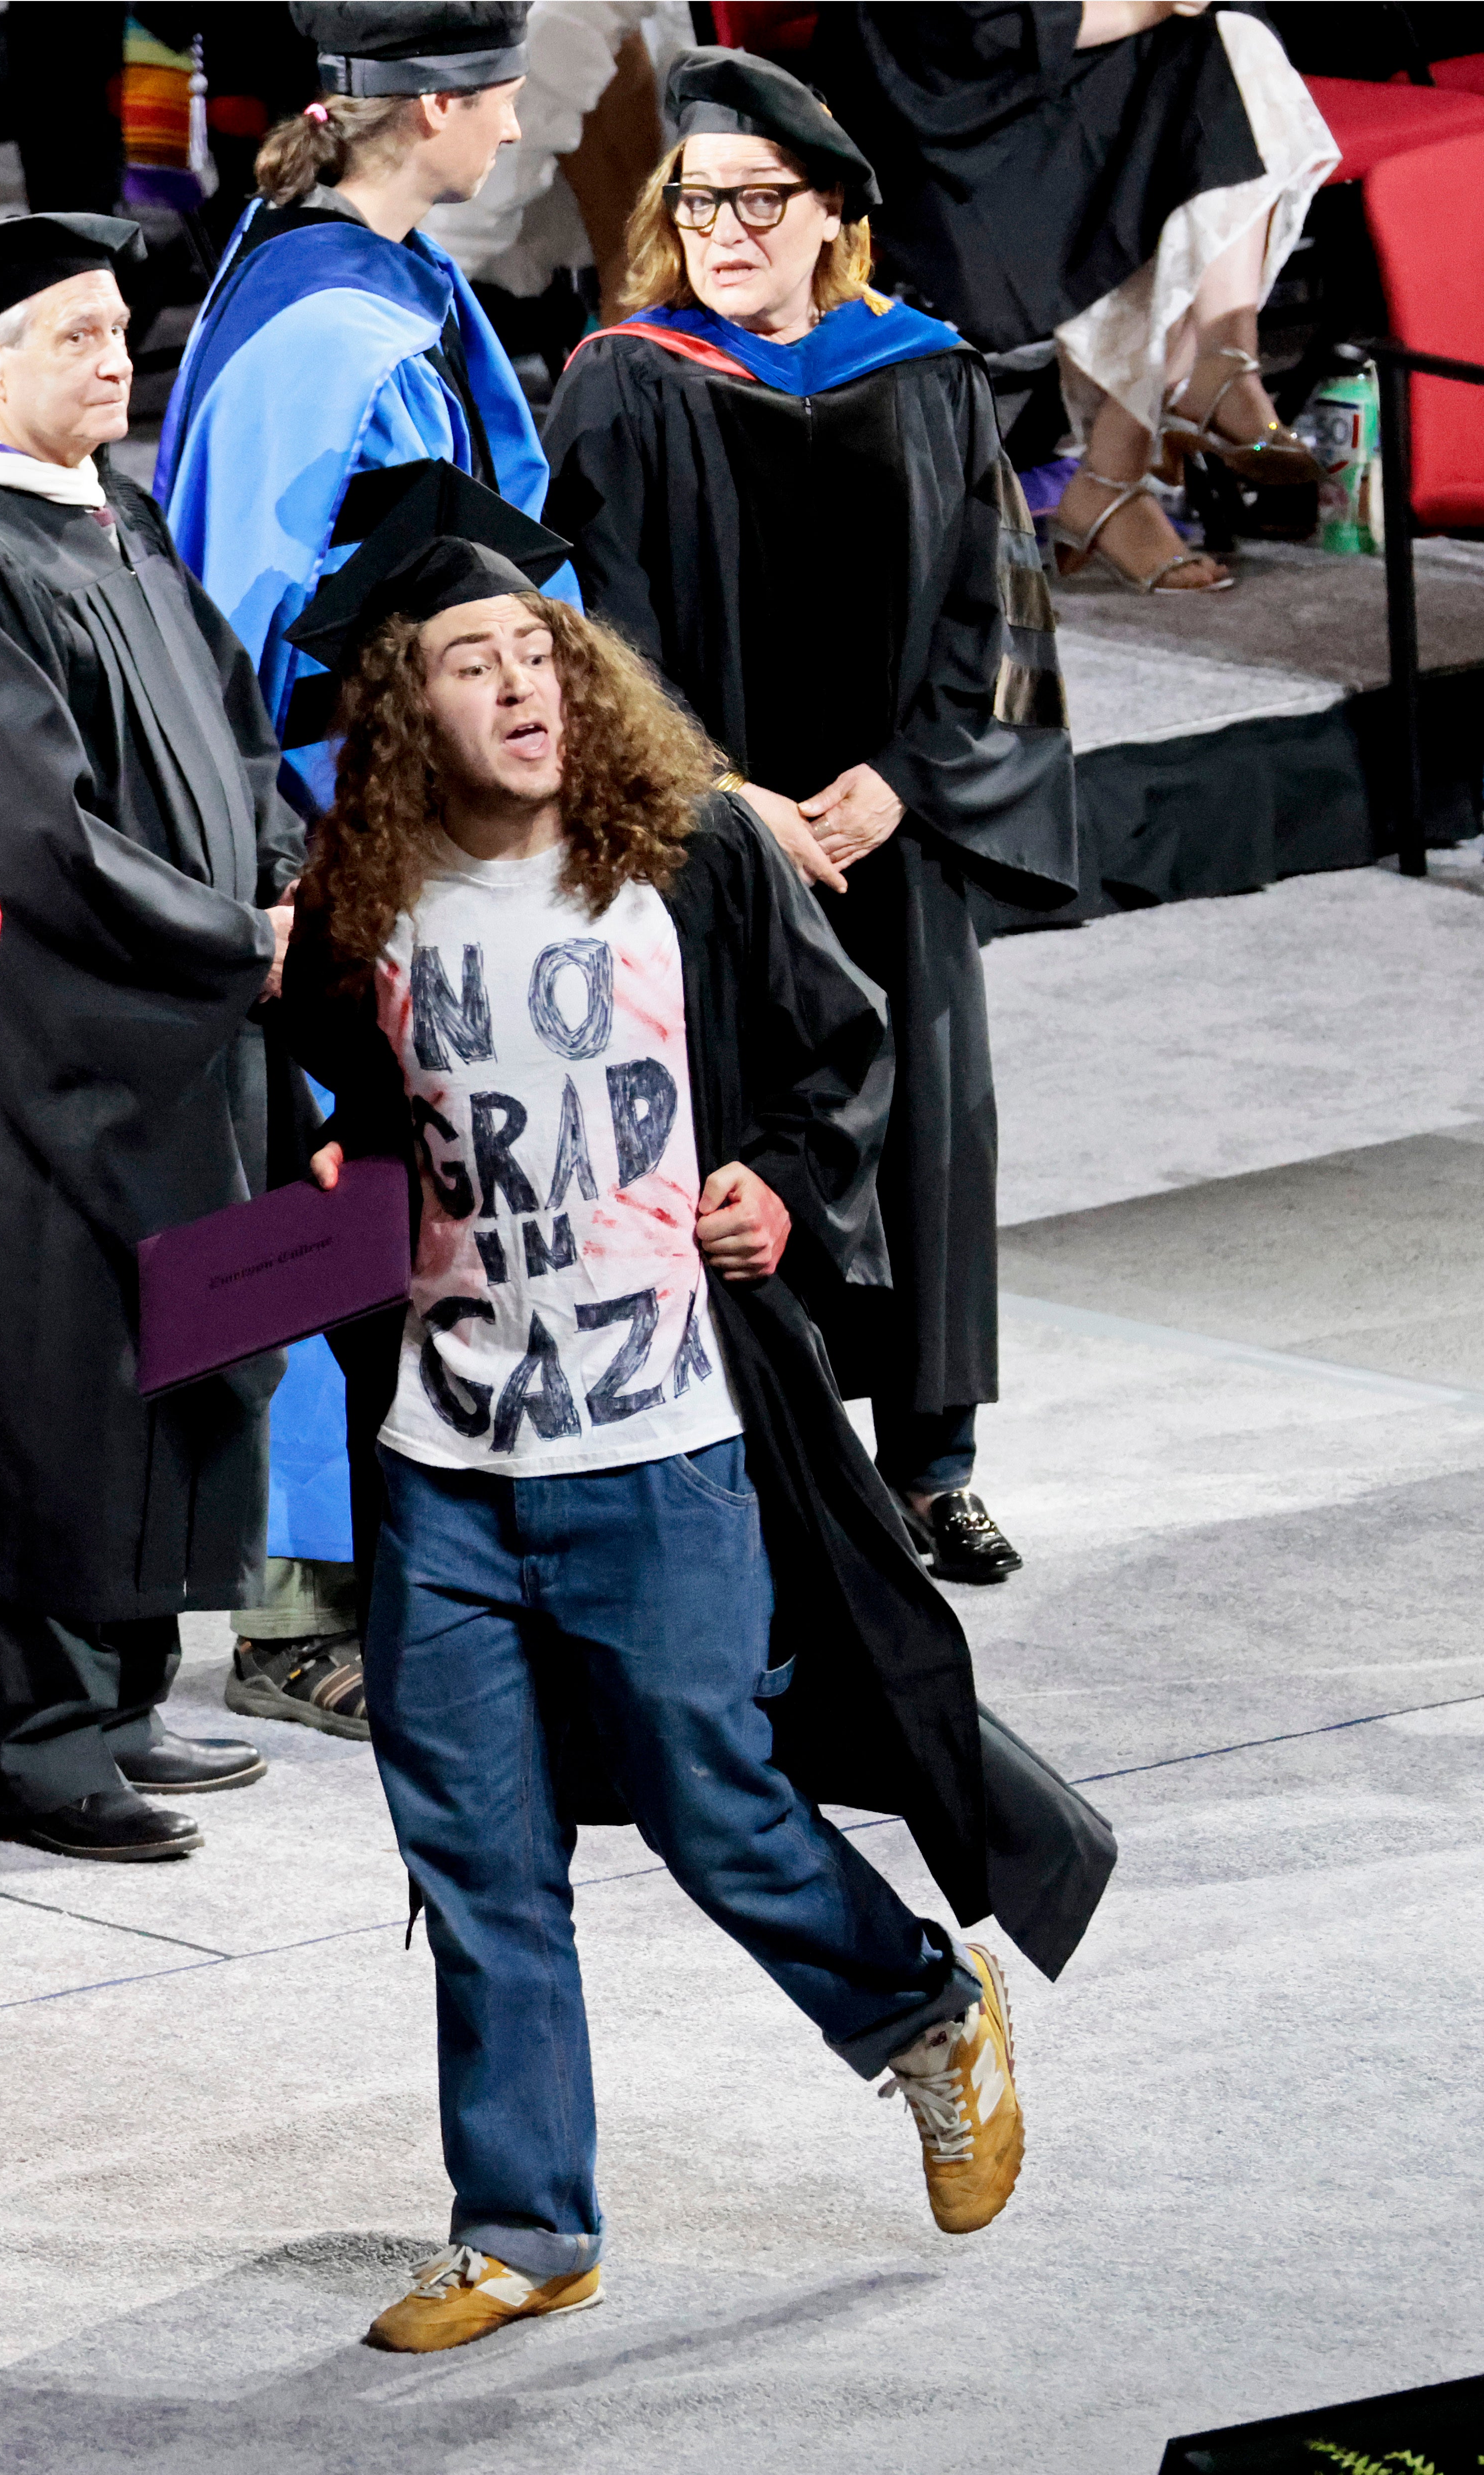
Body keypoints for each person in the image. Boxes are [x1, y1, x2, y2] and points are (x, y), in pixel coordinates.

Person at [271, 475, 1109, 2353]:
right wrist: (327, 1179)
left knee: (720, 1805)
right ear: (407, 706)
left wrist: (786, 1191)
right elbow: (317, 1122)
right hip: (448, 1461)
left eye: (538, 655)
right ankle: (527, 2222)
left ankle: (921, 2013)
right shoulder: (366, 904)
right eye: (472, 663)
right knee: (474, 1851)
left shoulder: (692, 858)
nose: (522, 690)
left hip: (660, 1440)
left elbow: (838, 1059)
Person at [539, 45, 1077, 1582]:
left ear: (834, 212)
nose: (726, 229)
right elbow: (599, 629)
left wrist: (903, 779)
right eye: (700, 200)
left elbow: (994, 613)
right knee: (739, 1131)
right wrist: (720, 795)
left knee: (921, 1123)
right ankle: (763, 1463)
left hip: (883, 838)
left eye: (760, 201)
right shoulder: (624, 380)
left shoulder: (923, 374)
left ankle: (930, 1461)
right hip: (710, 840)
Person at [0, 213, 308, 1860]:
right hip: (53, 1047)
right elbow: (17, 833)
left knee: (201, 1348)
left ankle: (124, 1695)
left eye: (121, 334)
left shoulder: (112, 519)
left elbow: (238, 733)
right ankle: (35, 1746)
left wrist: (285, 877)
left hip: (193, 1026)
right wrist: (221, 936)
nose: (115, 363)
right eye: (76, 337)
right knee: (66, 1380)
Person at [153, 0, 550, 1741]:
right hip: (327, 819)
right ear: (432, 109)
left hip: (386, 798)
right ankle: (294, 1603)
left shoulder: (354, 271)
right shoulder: (323, 324)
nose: (518, 128)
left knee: (389, 1182)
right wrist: (287, 842)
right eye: (500, 99)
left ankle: (400, 1564)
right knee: (329, 1190)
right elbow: (240, 610)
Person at [813, 2, 1337, 594]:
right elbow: (970, 25)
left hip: (1077, 71)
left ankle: (1205, 374)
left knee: (1231, 48)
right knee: (1209, 100)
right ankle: (1153, 429)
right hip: (942, 107)